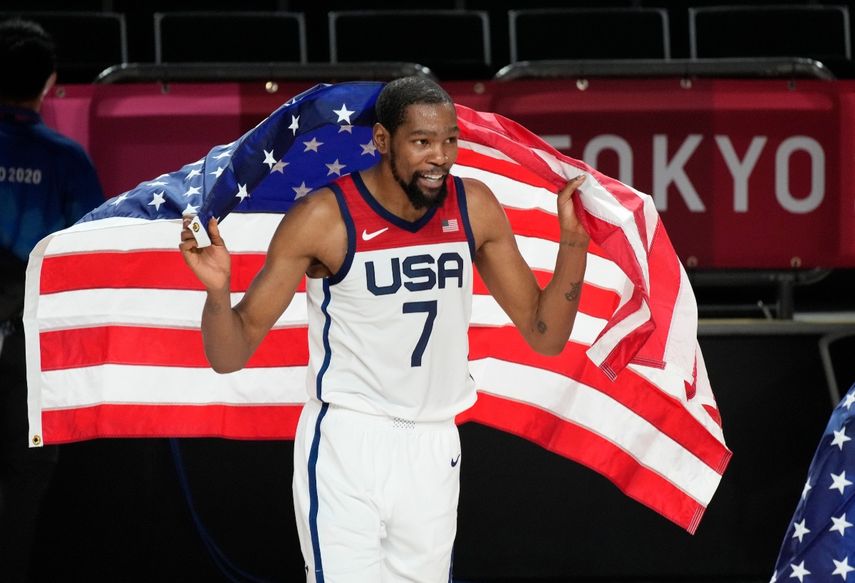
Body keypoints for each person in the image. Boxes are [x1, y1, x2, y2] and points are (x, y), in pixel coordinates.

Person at [180, 76, 589, 582]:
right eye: (421, 142)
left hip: (436, 443)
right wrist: (218, 292)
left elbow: (545, 335)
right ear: (381, 141)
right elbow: (230, 354)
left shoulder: (474, 206)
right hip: (350, 440)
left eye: (450, 140)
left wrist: (573, 243)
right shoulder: (322, 218)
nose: (440, 156)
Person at [0, 18, 104, 582]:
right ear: (50, 83)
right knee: (25, 479)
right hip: (28, 348)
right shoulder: (66, 161)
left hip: (22, 340)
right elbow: (86, 257)